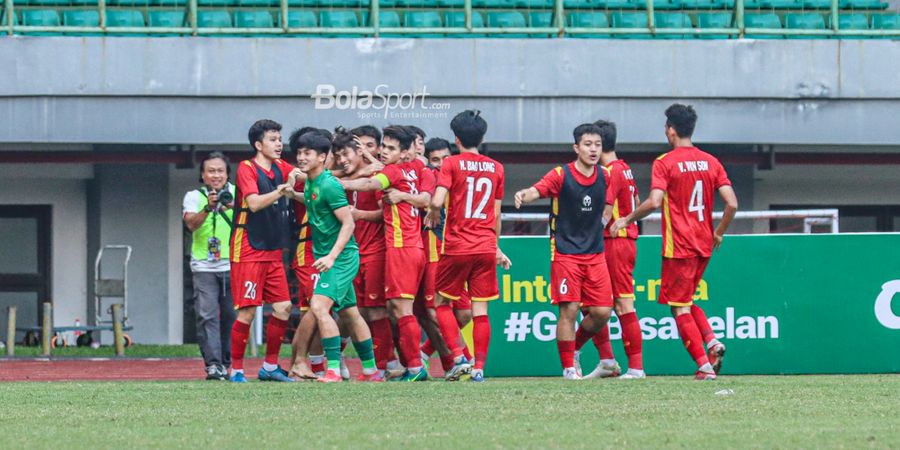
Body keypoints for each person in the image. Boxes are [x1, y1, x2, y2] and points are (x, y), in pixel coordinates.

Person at [610, 104, 738, 380]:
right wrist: (719, 232)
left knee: (678, 306)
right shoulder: (711, 161)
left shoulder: (665, 162)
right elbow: (732, 203)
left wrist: (626, 219)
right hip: (704, 244)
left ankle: (704, 366)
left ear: (670, 130)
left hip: (679, 246)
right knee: (687, 300)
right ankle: (712, 342)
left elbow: (655, 202)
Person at [514, 123, 616, 380]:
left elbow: (609, 206)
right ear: (576, 148)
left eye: (597, 145)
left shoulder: (606, 175)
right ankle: (569, 368)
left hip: (595, 252)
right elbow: (537, 190)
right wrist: (523, 194)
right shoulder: (561, 174)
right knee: (568, 310)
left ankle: (576, 348)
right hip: (565, 252)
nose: (593, 150)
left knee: (603, 311)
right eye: (587, 145)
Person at [341, 126, 432, 382]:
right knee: (394, 309)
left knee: (401, 310)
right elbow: (425, 198)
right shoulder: (416, 169)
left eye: (390, 148)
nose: (383, 152)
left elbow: (371, 182)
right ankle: (406, 364)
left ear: (405, 152)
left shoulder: (392, 172)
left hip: (402, 248)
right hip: (411, 248)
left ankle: (415, 367)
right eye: (384, 147)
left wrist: (339, 182)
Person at [427, 110, 510, 382]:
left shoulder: (451, 164)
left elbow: (438, 200)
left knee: (441, 303)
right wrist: (496, 247)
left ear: (456, 139)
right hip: (485, 245)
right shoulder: (497, 168)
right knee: (480, 310)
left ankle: (458, 356)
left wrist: (432, 212)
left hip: (457, 246)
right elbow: (497, 214)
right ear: (482, 137)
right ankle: (479, 368)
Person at [293, 129, 381, 383]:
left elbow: (348, 224)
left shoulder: (330, 184)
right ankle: (370, 370)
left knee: (320, 308)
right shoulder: (312, 181)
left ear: (322, 157)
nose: (301, 157)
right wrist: (291, 195)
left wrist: (332, 257)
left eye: (307, 153)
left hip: (339, 258)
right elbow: (313, 202)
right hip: (330, 257)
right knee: (351, 313)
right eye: (299, 152)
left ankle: (332, 370)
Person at [228, 119, 296, 383]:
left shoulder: (281, 166)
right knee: (247, 310)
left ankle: (269, 367)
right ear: (258, 144)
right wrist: (282, 190)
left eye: (280, 139)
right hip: (248, 248)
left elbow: (306, 173)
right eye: (272, 139)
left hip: (272, 249)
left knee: (283, 307)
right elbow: (254, 203)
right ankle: (235, 370)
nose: (278, 144)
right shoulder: (247, 168)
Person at [580, 119, 646, 380]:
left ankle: (636, 368)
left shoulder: (610, 171)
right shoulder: (625, 169)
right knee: (594, 302)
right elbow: (637, 202)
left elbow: (605, 213)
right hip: (621, 241)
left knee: (622, 304)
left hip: (615, 242)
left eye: (593, 142)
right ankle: (607, 360)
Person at [182, 152, 237, 381]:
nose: (216, 175)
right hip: (203, 265)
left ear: (227, 174)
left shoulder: (237, 194)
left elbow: (250, 221)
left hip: (232, 263)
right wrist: (208, 208)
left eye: (220, 171)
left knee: (231, 316)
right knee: (206, 315)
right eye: (211, 171)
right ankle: (213, 365)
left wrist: (232, 205)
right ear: (202, 175)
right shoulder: (193, 197)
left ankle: (227, 362)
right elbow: (191, 225)